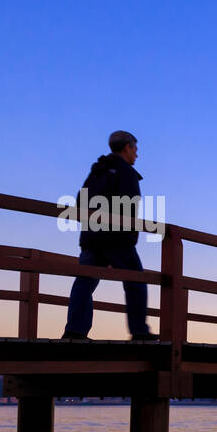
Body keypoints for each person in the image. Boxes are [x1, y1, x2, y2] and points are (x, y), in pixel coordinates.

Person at [62, 130, 157, 341]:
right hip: (117, 238)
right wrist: (128, 238)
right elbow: (129, 207)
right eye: (135, 149)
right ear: (127, 147)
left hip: (92, 237)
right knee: (136, 281)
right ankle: (139, 331)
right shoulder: (125, 172)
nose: (137, 155)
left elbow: (80, 201)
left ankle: (74, 331)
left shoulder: (96, 171)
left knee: (84, 282)